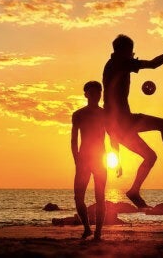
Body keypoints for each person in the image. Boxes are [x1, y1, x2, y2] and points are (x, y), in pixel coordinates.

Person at [102, 34, 163, 208]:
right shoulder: (122, 63)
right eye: (131, 51)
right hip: (123, 122)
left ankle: (134, 191)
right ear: (124, 51)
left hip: (118, 126)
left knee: (151, 157)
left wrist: (116, 154)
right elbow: (154, 64)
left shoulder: (113, 64)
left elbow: (108, 110)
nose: (133, 54)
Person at [70, 81, 108, 240]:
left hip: (100, 158)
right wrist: (77, 159)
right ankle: (87, 229)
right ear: (86, 94)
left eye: (98, 92)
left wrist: (117, 159)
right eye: (92, 93)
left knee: (100, 196)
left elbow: (114, 137)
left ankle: (98, 233)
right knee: (78, 197)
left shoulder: (105, 114)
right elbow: (73, 139)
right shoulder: (78, 114)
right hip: (84, 158)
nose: (96, 96)